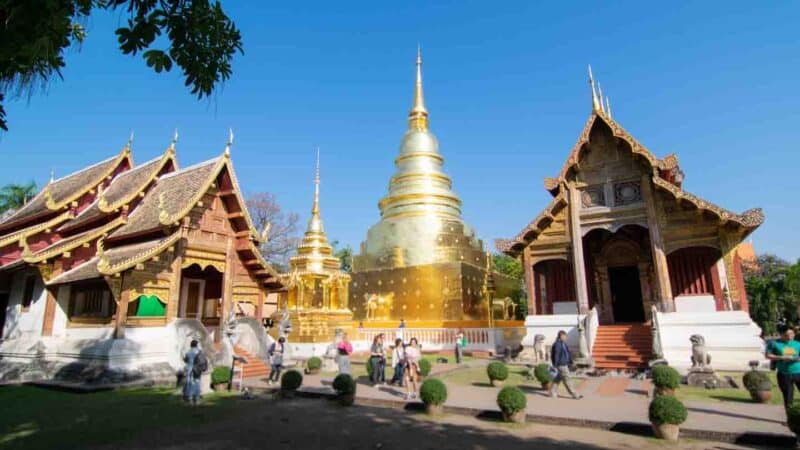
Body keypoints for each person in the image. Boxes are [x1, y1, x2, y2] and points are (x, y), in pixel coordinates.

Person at [767, 324, 800, 409]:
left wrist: (796, 359)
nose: (790, 337)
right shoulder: (774, 343)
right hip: (784, 374)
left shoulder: (797, 344)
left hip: (798, 372)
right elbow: (768, 355)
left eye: (792, 334)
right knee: (788, 397)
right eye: (786, 335)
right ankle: (790, 420)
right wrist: (782, 357)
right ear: (781, 334)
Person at [550, 330, 582, 400]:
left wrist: (571, 362)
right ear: (561, 336)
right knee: (567, 379)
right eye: (564, 336)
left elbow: (567, 353)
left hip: (565, 363)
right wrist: (555, 365)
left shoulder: (563, 343)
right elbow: (556, 355)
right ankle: (575, 394)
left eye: (565, 336)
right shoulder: (557, 344)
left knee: (558, 378)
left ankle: (552, 392)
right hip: (561, 364)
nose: (565, 338)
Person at [183, 339, 206, 405]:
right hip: (197, 369)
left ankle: (190, 398)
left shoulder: (188, 352)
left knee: (189, 383)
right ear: (197, 345)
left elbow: (186, 360)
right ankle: (197, 398)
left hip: (190, 369)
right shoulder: (199, 351)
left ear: (191, 345)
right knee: (197, 382)